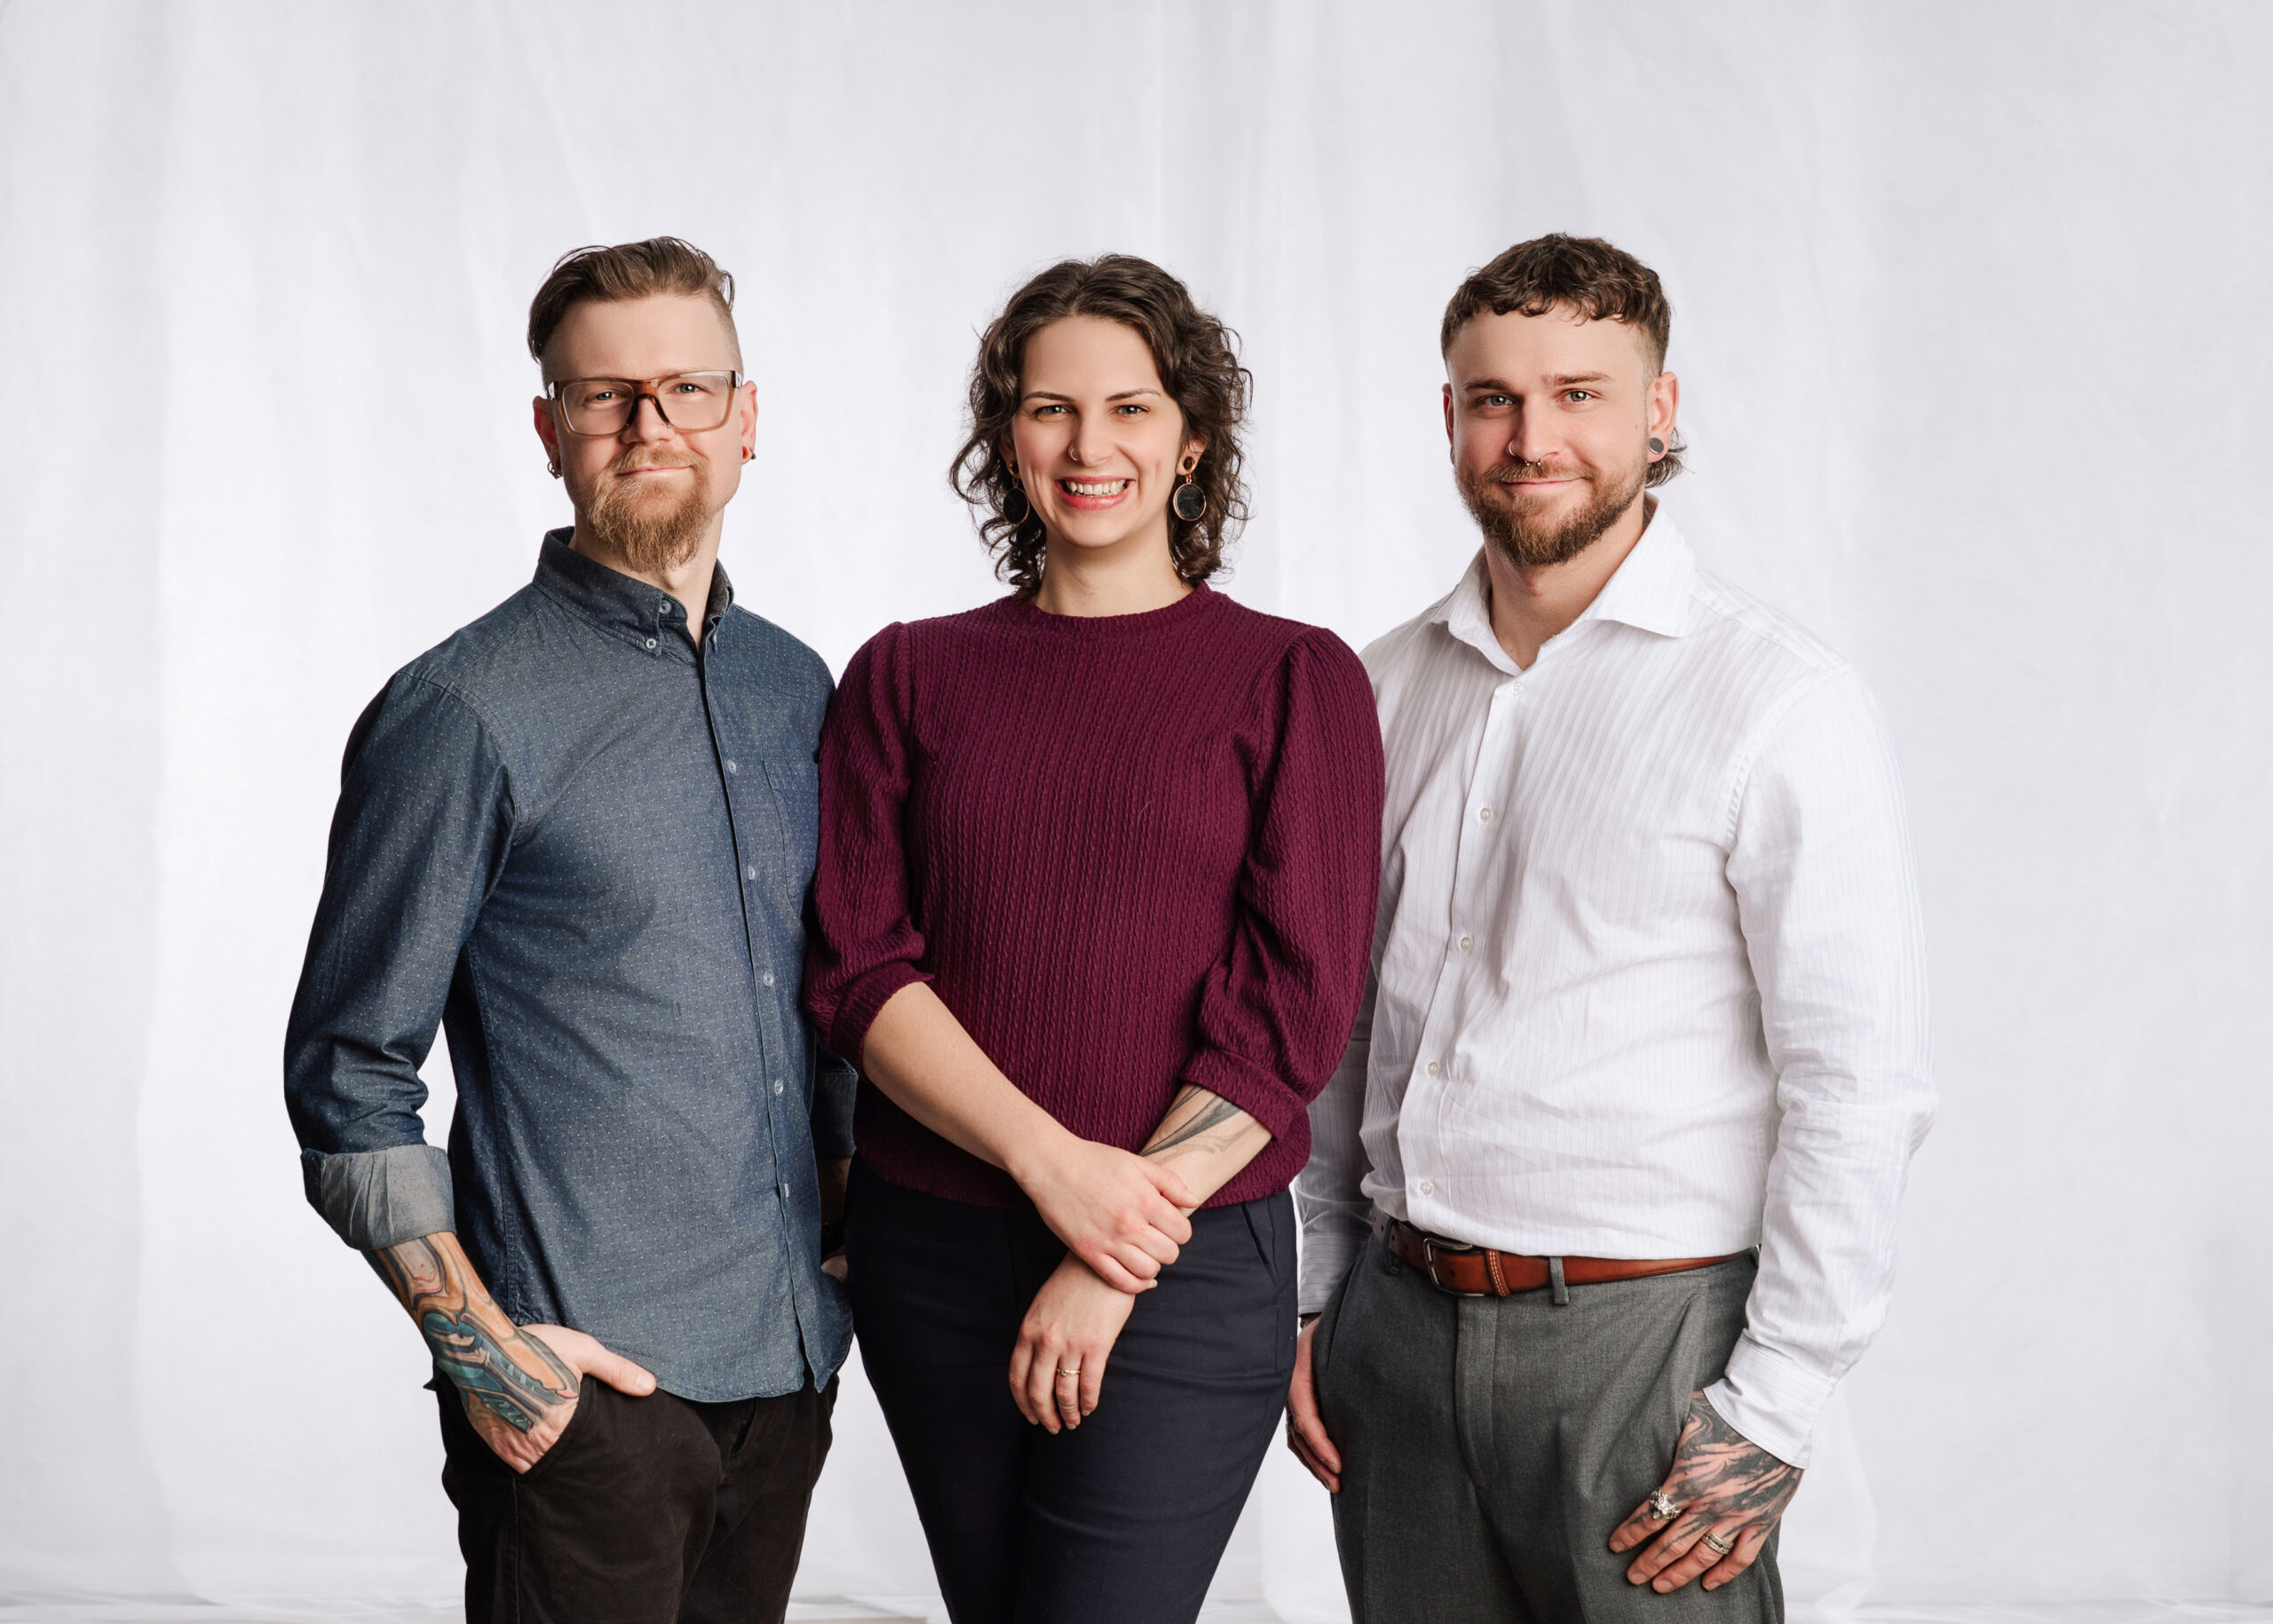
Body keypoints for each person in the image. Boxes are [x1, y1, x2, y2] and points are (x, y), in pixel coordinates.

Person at [1286, 234, 1936, 1621]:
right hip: (1394, 1334)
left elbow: (1855, 1082)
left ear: (1659, 410)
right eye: (1495, 399)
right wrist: (1315, 1295)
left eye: (1579, 393)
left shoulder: (1781, 703)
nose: (1533, 439)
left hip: (1651, 1348)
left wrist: (1776, 1402)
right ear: (1450, 417)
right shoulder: (1376, 688)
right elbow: (1335, 1021)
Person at [802, 254, 1383, 1624]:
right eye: (1050, 408)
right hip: (934, 1252)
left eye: (1130, 408)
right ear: (1006, 438)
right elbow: (860, 967)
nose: (1088, 445)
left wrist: (1112, 1242)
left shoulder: (1294, 678)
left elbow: (1290, 1014)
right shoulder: (906, 673)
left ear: (1192, 441)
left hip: (1186, 1262)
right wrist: (1052, 1167)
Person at [284, 237, 851, 1624]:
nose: (650, 425)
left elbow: (836, 1004)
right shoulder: (463, 711)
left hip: (788, 1372)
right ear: (551, 431)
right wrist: (488, 1356)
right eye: (605, 396)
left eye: (687, 389)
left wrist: (844, 1252)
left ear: (748, 418)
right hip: (584, 1394)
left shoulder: (801, 691)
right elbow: (349, 1068)